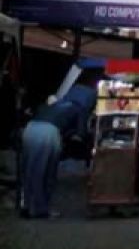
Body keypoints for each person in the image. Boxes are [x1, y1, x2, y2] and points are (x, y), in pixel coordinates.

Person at [20, 80, 97, 219]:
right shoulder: (80, 109)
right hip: (48, 133)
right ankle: (41, 210)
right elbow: (80, 135)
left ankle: (25, 205)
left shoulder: (55, 104)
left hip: (30, 129)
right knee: (45, 173)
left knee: (28, 170)